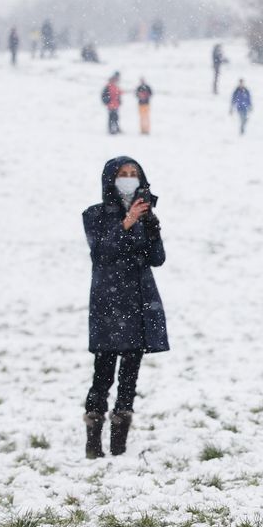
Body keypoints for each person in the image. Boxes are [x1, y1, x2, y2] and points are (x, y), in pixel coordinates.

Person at [81, 157, 167, 458]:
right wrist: (127, 222)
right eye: (122, 174)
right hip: (109, 304)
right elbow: (102, 252)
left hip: (139, 302)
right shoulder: (94, 214)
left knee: (130, 375)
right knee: (102, 373)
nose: (128, 178)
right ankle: (94, 441)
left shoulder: (147, 214)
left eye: (134, 174)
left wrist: (151, 226)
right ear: (110, 179)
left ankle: (119, 444)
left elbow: (157, 258)